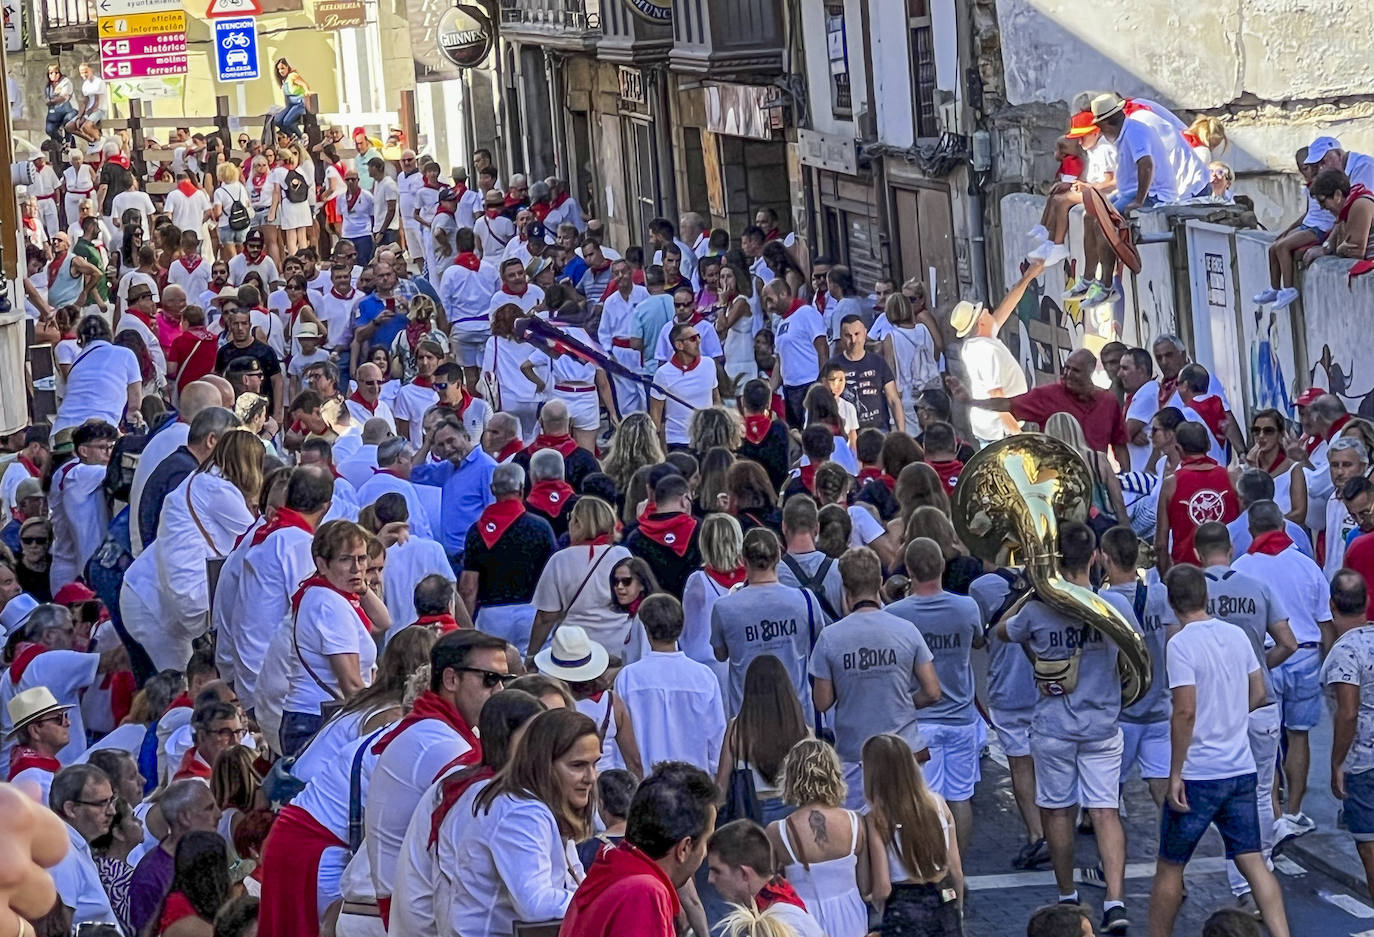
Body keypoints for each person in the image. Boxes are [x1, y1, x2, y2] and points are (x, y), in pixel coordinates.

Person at [998, 521, 1133, 933]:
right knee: (1106, 812)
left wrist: (1033, 588)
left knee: (1057, 811)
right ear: (1094, 557)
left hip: (1054, 724)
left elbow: (1001, 630)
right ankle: (1114, 901)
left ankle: (1067, 895)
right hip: (1102, 724)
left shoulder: (1038, 608)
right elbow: (1135, 657)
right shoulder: (1115, 607)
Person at [1147, 564, 1291, 937]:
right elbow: (1259, 693)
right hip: (1239, 767)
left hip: (1199, 773)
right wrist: (1229, 713)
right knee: (1253, 862)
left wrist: (1175, 772)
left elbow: (1185, 711)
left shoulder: (1180, 644)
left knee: (1170, 866)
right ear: (1205, 596)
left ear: (1172, 603)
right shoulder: (1237, 636)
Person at [366, 629, 513, 926]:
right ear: (450, 680)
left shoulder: (436, 729)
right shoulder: (442, 746)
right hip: (396, 913)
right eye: (489, 679)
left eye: (504, 681)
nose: (499, 692)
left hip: (393, 903)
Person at [1230, 500, 1333, 843]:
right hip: (1305, 656)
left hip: (1264, 659)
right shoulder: (1306, 566)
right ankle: (1294, 811)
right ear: (1283, 527)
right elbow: (1325, 622)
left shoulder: (1241, 567)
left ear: (1250, 530)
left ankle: (1272, 810)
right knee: (1299, 735)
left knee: (1266, 740)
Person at [443, 708, 598, 936]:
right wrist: (603, 899)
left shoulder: (532, 804)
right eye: (578, 765)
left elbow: (574, 880)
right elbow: (535, 905)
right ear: (544, 764)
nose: (591, 777)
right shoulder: (522, 813)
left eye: (595, 764)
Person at [811, 546, 941, 809]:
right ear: (879, 583)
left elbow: (822, 702)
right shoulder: (906, 630)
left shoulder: (830, 637)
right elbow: (933, 691)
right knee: (909, 826)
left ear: (845, 589)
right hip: (905, 749)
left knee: (862, 832)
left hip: (856, 755)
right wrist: (903, 702)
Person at [886, 538, 984, 854]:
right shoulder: (967, 606)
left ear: (910, 570)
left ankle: (931, 865)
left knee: (923, 800)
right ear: (942, 566)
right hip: (960, 717)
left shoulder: (896, 614)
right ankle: (957, 865)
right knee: (960, 797)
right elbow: (979, 641)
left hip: (919, 720)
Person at [561, 761, 719, 937]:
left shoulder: (613, 866)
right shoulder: (644, 893)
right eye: (706, 842)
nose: (704, 854)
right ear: (683, 848)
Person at [761, 739, 870, 937]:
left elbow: (771, 886)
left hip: (802, 918)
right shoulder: (856, 823)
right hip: (850, 914)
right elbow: (865, 885)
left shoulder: (778, 831)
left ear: (791, 777)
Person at [863, 733, 965, 936]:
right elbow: (956, 869)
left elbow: (883, 887)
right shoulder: (938, 804)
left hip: (903, 908)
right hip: (941, 900)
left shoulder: (877, 818)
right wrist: (958, 909)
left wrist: (870, 900)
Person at [615, 594, 725, 773]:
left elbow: (621, 740)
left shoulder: (629, 677)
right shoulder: (704, 677)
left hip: (646, 784)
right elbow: (716, 737)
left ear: (646, 629)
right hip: (695, 782)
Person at [459, 462, 558, 654]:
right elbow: (554, 577)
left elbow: (468, 587)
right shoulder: (541, 527)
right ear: (522, 489)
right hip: (531, 612)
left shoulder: (477, 531)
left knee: (491, 673)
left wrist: (466, 628)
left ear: (492, 490)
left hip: (491, 616)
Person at [943, 261, 1043, 443]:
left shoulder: (979, 341)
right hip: (999, 432)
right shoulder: (986, 351)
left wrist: (1028, 276)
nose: (988, 311)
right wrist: (1017, 435)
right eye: (983, 312)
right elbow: (996, 396)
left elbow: (1007, 306)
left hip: (994, 427)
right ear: (981, 322)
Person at [1321, 568, 1374, 907]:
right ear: (1367, 601)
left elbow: (1348, 712)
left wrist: (1336, 762)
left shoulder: (1344, 652)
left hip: (1364, 762)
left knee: (1369, 845)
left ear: (1332, 606)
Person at [528, 496, 634, 655]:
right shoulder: (622, 555)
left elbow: (546, 617)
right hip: (618, 647)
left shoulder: (560, 560)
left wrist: (531, 655)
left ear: (577, 523)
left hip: (574, 648)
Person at [129, 779, 223, 933]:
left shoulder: (205, 856)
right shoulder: (151, 875)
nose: (219, 814)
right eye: (209, 808)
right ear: (185, 817)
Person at [706, 819, 826, 937]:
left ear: (744, 874)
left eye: (717, 871)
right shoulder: (775, 905)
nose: (710, 879)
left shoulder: (781, 919)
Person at [1156, 421, 1240, 572]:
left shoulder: (1171, 484)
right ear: (1208, 446)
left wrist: (1165, 577)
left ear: (1178, 448)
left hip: (1186, 575)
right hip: (1228, 571)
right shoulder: (1231, 478)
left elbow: (1161, 544)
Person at [48, 763, 123, 928]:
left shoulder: (76, 844)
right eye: (102, 803)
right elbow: (59, 929)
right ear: (71, 809)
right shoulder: (62, 856)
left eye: (112, 800)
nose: (112, 811)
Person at [762, 279, 827, 427]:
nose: (769, 306)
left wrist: (822, 382)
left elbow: (822, 349)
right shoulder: (781, 324)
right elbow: (780, 361)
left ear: (783, 293)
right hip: (790, 389)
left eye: (770, 300)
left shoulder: (806, 313)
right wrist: (770, 391)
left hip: (810, 384)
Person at [651, 321, 721, 450]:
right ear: (679, 345)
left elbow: (716, 398)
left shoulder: (709, 364)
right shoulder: (663, 374)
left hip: (707, 438)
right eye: (693, 339)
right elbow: (656, 413)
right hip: (678, 440)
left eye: (698, 336)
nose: (699, 341)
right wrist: (659, 447)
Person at [5, 686, 71, 801]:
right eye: (58, 719)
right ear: (35, 731)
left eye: (66, 716)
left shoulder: (35, 767)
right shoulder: (34, 778)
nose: (68, 723)